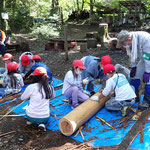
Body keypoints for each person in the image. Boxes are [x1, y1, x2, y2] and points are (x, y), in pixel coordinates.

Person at [116, 30, 150, 109]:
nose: (123, 46)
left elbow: (148, 57)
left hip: (148, 57)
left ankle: (147, 100)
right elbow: (131, 55)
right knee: (135, 76)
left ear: (129, 39)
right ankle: (133, 96)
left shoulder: (145, 39)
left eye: (123, 44)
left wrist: (148, 72)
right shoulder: (130, 40)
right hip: (144, 58)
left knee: (148, 80)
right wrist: (134, 67)